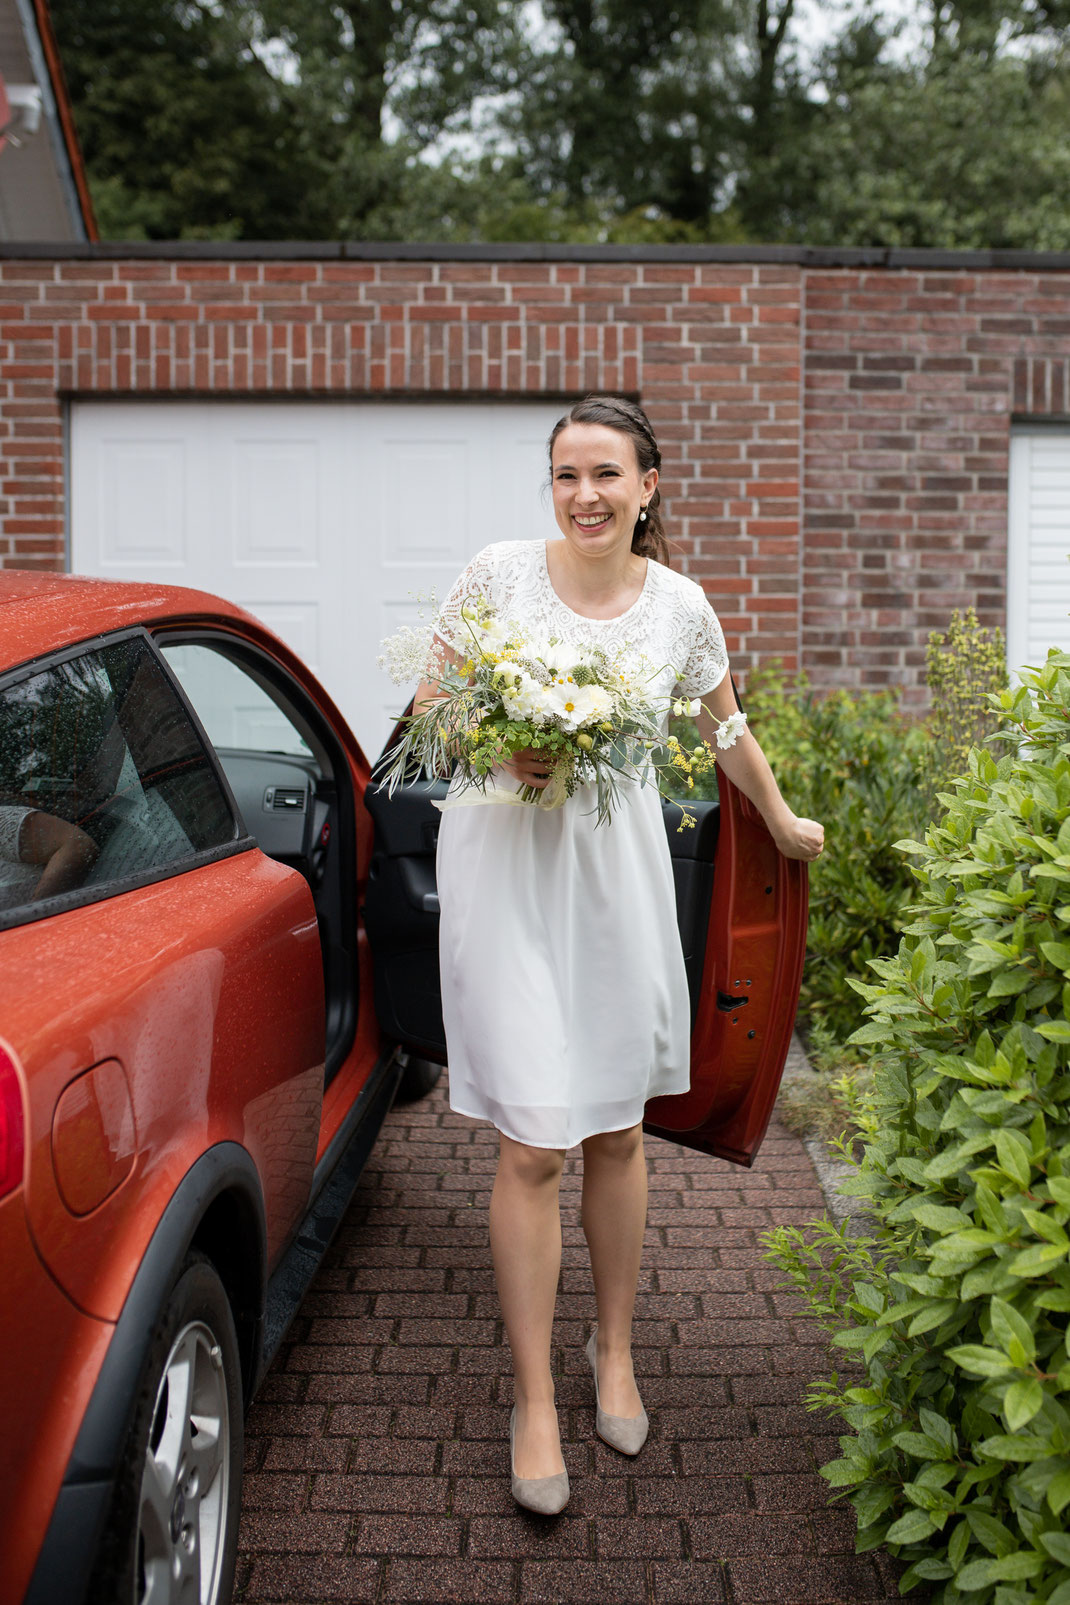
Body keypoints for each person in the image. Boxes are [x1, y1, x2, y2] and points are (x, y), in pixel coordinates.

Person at [411, 395, 824, 1516]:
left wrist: (781, 826)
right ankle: (533, 1397)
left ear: (647, 488)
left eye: (604, 475)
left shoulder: (680, 607)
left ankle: (616, 1350)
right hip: (505, 866)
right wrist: (505, 742)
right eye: (563, 476)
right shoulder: (496, 573)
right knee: (532, 1143)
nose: (583, 496)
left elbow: (722, 728)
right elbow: (428, 711)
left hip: (614, 877)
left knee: (615, 1128)